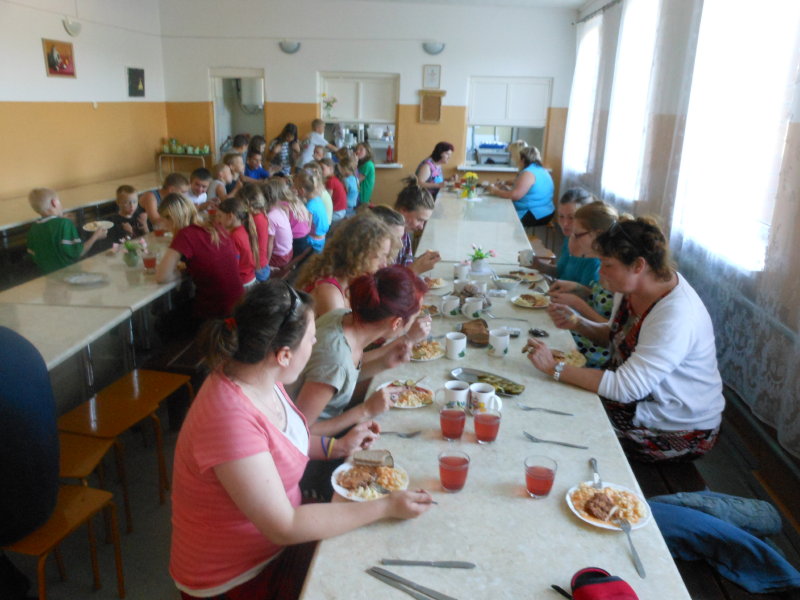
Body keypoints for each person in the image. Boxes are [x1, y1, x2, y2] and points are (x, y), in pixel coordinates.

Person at [169, 281, 433, 599]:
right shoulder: (228, 419)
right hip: (236, 576)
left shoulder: (260, 374)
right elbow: (284, 526)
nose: (316, 342)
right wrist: (386, 506)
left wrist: (338, 447)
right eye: (311, 338)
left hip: (275, 544)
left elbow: (282, 442)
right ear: (283, 354)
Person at [525, 217, 725, 463]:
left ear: (638, 265)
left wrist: (553, 368)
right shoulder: (633, 288)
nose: (601, 271)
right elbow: (616, 338)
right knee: (546, 404)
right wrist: (578, 323)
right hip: (634, 405)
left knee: (557, 431)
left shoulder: (675, 315)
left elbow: (626, 388)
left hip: (672, 427)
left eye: (608, 264)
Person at [290, 265, 427, 436]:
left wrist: (384, 363)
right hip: (312, 446)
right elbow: (299, 433)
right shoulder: (334, 358)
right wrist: (365, 410)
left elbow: (341, 382)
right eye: (414, 317)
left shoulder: (343, 316)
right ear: (397, 323)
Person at [547, 201, 619, 368]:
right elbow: (601, 300)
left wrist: (577, 303)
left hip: (595, 351)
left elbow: (613, 331)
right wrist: (578, 288)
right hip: (583, 334)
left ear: (597, 235)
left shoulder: (615, 270)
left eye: (577, 235)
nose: (573, 239)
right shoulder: (603, 260)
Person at [156, 194, 244, 321]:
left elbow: (162, 277)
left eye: (163, 220)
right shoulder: (213, 226)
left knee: (163, 321)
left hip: (217, 311)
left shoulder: (185, 234)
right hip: (239, 303)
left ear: (172, 218)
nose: (163, 225)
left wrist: (180, 273)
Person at [295, 214, 394, 318]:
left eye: (386, 256)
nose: (384, 264)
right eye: (378, 257)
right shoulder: (330, 292)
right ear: (358, 254)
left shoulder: (352, 282)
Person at [25, 187, 107, 273]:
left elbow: (34, 255)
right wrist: (95, 236)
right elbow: (79, 253)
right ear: (54, 203)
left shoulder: (33, 228)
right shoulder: (64, 223)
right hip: (69, 275)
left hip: (50, 277)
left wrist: (60, 219)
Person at [532, 187, 599, 287]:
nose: (565, 224)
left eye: (571, 217)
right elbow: (561, 272)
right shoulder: (570, 238)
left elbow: (587, 294)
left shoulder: (594, 258)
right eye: (561, 216)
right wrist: (539, 265)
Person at [488, 145, 554, 229]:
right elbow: (525, 190)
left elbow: (514, 196)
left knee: (499, 215)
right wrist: (506, 188)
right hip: (547, 212)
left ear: (523, 160)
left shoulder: (528, 173)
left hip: (535, 214)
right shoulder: (541, 170)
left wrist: (494, 190)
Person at [393, 176, 440, 275]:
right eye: (419, 220)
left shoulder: (405, 234)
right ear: (403, 210)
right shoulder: (384, 239)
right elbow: (387, 280)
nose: (421, 227)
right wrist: (415, 269)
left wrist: (419, 262)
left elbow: (406, 265)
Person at [219, 195, 259, 288]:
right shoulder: (242, 229)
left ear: (230, 216)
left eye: (220, 216)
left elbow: (232, 267)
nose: (218, 220)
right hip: (250, 277)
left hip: (242, 282)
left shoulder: (233, 237)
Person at [239, 184, 271, 282]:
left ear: (246, 203)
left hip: (256, 269)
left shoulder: (253, 220)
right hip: (263, 265)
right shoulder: (262, 214)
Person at [262, 178, 294, 270]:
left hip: (280, 257)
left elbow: (270, 244)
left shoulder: (270, 217)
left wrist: (266, 264)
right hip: (289, 251)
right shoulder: (281, 209)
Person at [294, 169, 329, 253]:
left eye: (296, 189)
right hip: (322, 238)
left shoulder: (309, 207)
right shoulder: (318, 199)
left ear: (302, 191)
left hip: (314, 242)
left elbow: (306, 229)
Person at [320, 158, 347, 223]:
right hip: (341, 210)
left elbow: (327, 198)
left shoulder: (331, 181)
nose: (320, 171)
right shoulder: (332, 179)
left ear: (331, 169)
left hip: (337, 212)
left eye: (322, 168)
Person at [335, 148, 359, 216]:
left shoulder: (345, 180)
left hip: (346, 205)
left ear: (345, 169)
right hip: (353, 205)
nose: (339, 171)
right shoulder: (355, 178)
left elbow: (342, 194)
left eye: (340, 169)